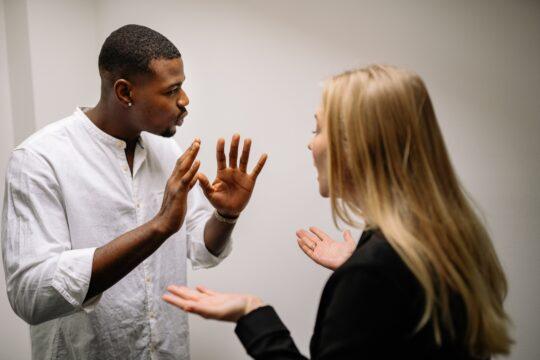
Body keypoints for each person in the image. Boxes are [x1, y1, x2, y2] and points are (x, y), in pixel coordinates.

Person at [163, 65, 513, 359]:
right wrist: (363, 262)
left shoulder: (374, 272)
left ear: (355, 145)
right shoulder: (446, 238)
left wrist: (252, 313)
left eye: (317, 129)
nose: (310, 143)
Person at [1, 24, 267, 359]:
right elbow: (31, 294)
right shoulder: (40, 159)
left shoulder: (167, 152)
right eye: (172, 91)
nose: (184, 101)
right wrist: (157, 228)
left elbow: (200, 248)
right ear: (126, 93)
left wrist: (226, 215)